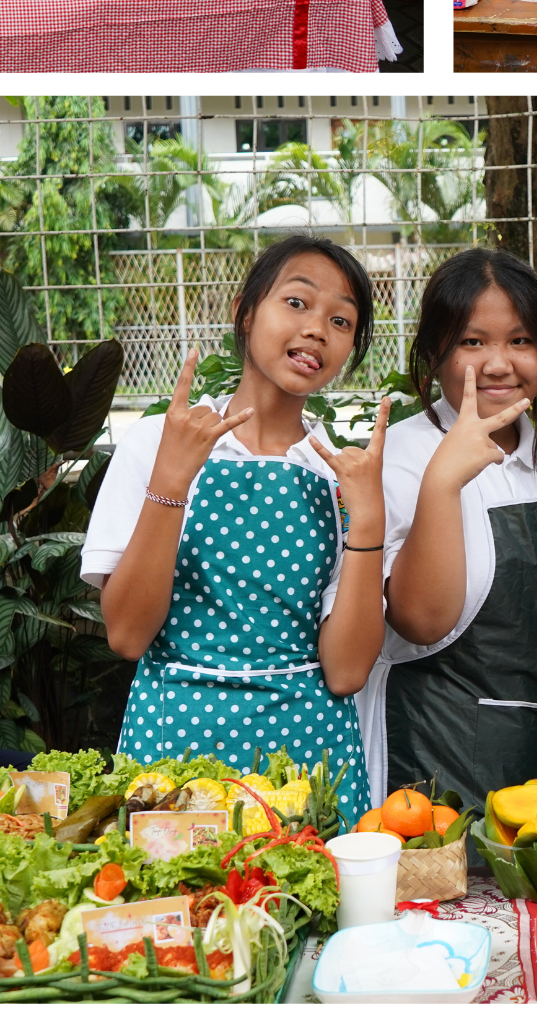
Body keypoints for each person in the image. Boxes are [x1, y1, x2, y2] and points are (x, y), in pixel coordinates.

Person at [82, 236, 389, 827]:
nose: (317, 329)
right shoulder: (158, 443)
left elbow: (347, 672)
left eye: (341, 320)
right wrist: (171, 481)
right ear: (245, 313)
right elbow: (127, 635)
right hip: (174, 749)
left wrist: (368, 521)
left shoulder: (342, 476)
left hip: (307, 759)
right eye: (297, 302)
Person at [360, 249, 537, 810]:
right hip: (433, 752)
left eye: (520, 340)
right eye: (473, 342)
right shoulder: (400, 458)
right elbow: (419, 621)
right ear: (435, 353)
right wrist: (443, 483)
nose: (499, 364)